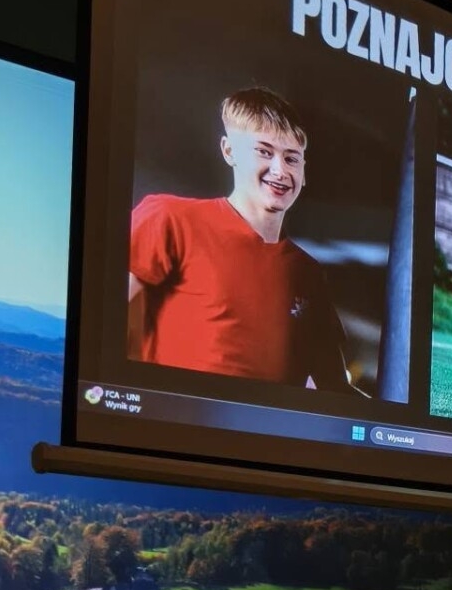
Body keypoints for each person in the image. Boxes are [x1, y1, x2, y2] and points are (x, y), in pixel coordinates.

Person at [128, 88, 351, 392]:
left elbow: (335, 389)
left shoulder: (308, 273)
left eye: (291, 158)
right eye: (264, 152)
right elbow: (98, 325)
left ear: (304, 171)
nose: (280, 170)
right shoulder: (170, 218)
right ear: (229, 151)